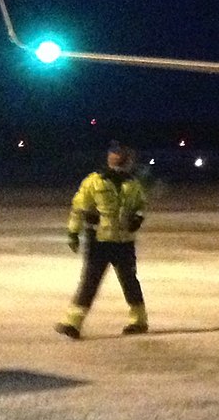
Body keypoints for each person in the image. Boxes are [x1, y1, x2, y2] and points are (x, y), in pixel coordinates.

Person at [56, 142, 150, 338]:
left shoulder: (133, 184)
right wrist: (73, 232)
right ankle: (73, 323)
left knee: (129, 281)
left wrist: (137, 218)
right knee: (90, 281)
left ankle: (139, 320)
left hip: (124, 241)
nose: (116, 158)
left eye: (120, 155)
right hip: (99, 241)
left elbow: (141, 205)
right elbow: (79, 207)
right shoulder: (94, 181)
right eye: (113, 154)